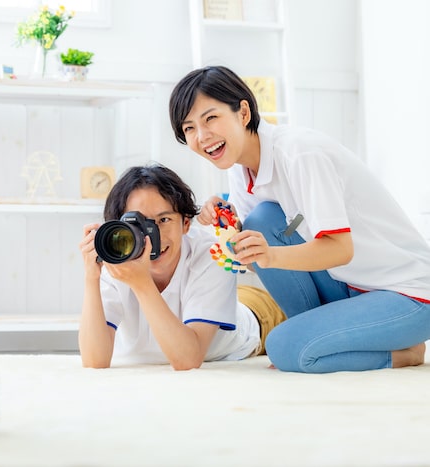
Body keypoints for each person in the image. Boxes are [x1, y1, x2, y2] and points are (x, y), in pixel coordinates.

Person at [168, 65, 430, 373]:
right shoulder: (240, 168)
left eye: (211, 118)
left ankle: (404, 353)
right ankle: (312, 335)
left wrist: (269, 253)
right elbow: (250, 254)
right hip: (348, 284)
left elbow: (340, 249)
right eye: (189, 129)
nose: (202, 136)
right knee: (259, 221)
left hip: (407, 293)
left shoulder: (300, 154)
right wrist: (222, 222)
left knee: (283, 347)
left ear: (242, 113)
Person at [78, 163, 285, 371]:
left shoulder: (209, 252)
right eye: (138, 224)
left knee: (289, 331)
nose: (152, 235)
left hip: (254, 314)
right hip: (200, 292)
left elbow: (188, 360)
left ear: (186, 223)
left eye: (164, 219)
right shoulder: (116, 252)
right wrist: (91, 278)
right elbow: (95, 360)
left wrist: (141, 284)